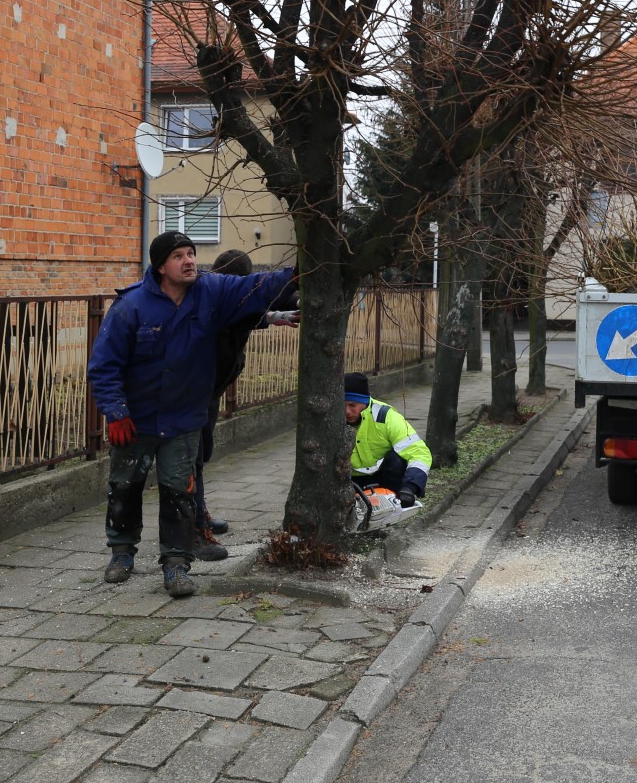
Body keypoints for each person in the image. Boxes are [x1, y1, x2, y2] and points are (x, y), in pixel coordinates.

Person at [88, 231, 296, 597]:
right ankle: (121, 553)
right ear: (160, 266)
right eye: (178, 256)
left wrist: (296, 274)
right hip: (136, 420)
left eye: (191, 253)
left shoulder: (210, 292)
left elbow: (254, 287)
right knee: (124, 486)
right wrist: (116, 411)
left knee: (178, 493)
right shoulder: (131, 307)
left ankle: (176, 564)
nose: (188, 261)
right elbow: (104, 365)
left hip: (184, 418)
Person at [190, 249, 298, 562]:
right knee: (192, 456)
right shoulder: (214, 298)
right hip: (194, 389)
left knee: (202, 451)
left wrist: (285, 310)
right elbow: (250, 308)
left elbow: (264, 303)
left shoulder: (232, 298)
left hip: (210, 389)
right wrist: (274, 315)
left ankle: (198, 513)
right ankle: (193, 525)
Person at [344, 371, 431, 527]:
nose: (347, 412)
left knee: (397, 459)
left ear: (365, 402)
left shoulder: (386, 417)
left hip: (383, 477)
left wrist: (410, 487)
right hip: (349, 480)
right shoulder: (330, 420)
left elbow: (419, 453)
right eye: (342, 405)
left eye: (352, 405)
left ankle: (391, 509)